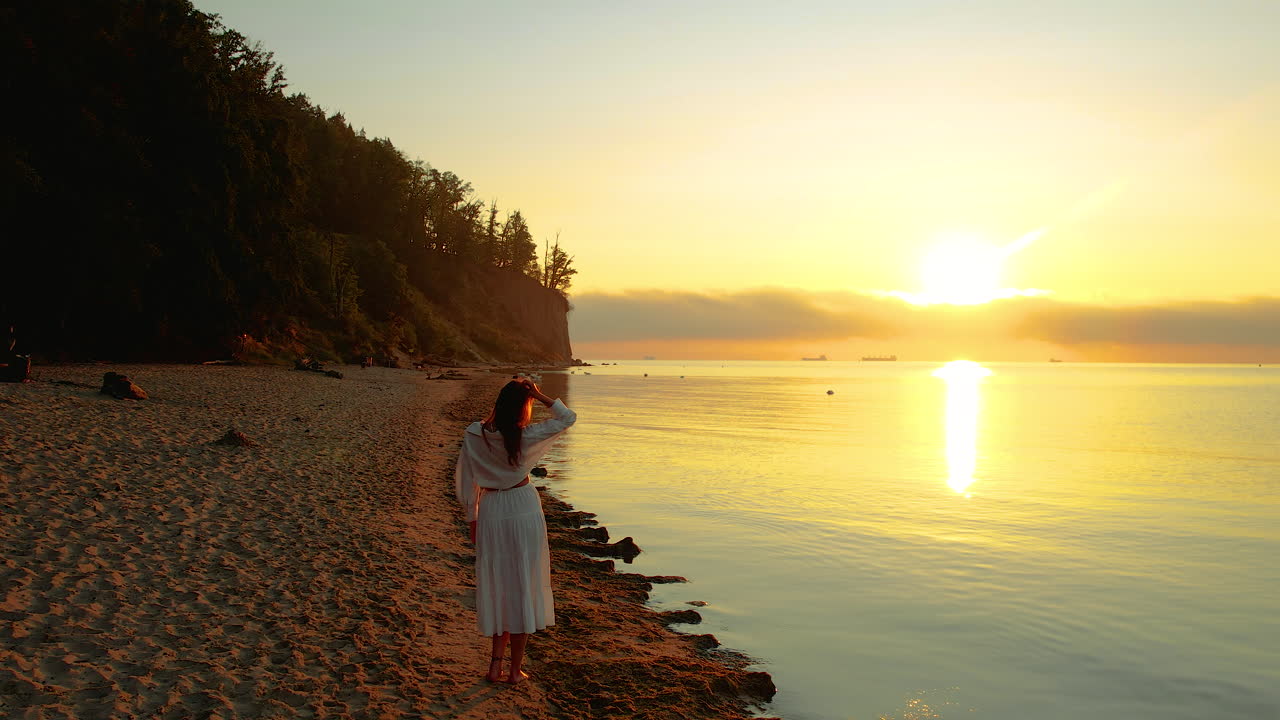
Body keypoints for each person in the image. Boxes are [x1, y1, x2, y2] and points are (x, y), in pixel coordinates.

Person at [455, 377, 576, 684]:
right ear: (524, 405)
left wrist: (473, 518)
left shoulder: (474, 433)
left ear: (499, 403)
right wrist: (540, 394)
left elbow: (466, 479)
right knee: (523, 584)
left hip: (492, 510)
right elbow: (568, 418)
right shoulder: (525, 435)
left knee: (499, 586)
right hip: (522, 507)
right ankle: (514, 670)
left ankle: (495, 666)